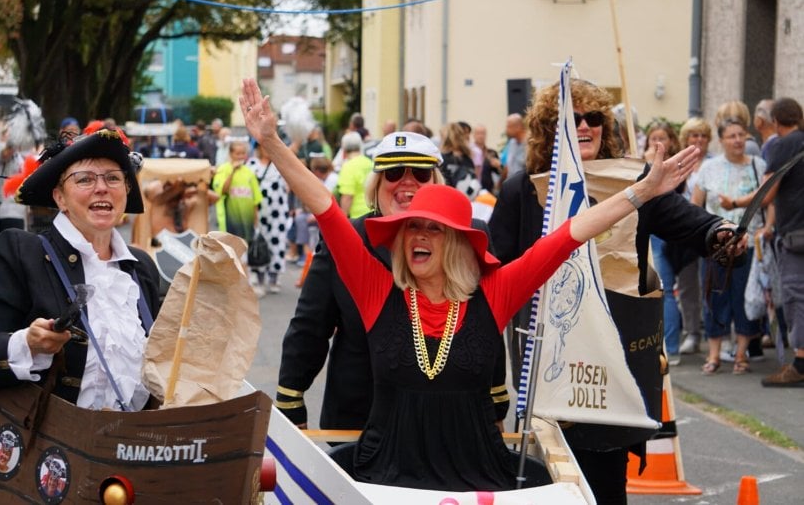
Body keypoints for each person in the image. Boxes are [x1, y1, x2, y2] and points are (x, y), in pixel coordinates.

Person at [242, 77, 701, 492]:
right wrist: (271, 141)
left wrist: (641, 191)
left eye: (433, 227)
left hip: (479, 478)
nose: (417, 235)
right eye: (410, 227)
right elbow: (324, 207)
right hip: (385, 475)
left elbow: (569, 235)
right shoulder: (376, 290)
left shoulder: (494, 292)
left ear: (459, 242)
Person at [489, 80, 738, 503]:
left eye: (595, 118)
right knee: (549, 481)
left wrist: (720, 232)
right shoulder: (523, 189)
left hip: (614, 355)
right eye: (572, 119)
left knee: (605, 479)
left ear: (607, 126)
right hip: (549, 354)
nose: (584, 126)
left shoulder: (637, 183)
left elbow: (686, 221)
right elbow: (494, 279)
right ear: (551, 128)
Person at [276, 128, 510, 433]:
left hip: (450, 423)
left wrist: (495, 404)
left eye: (421, 174)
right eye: (394, 172)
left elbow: (488, 324)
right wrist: (291, 401)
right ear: (376, 184)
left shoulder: (470, 236)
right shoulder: (348, 239)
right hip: (362, 421)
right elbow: (310, 327)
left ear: (436, 183)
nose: (407, 182)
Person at [0, 130, 161, 410]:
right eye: (85, 179)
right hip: (51, 445)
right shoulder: (21, 251)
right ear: (60, 198)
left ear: (127, 191)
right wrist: (28, 344)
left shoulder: (141, 268)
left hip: (130, 445)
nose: (102, 188)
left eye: (114, 177)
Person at [733, 97, 804, 386]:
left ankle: (799, 363)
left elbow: (769, 191)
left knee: (795, 295)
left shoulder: (783, 144)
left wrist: (737, 203)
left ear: (775, 122)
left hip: (796, 235)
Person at [691, 116, 765, 375]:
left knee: (743, 298)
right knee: (715, 297)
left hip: (748, 245)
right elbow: (694, 206)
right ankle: (714, 355)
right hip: (716, 245)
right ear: (721, 140)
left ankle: (741, 355)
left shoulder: (758, 165)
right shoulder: (709, 169)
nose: (737, 140)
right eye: (731, 136)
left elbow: (769, 201)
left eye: (741, 135)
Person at [642, 121, 683, 363]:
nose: (657, 143)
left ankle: (672, 346)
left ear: (671, 141)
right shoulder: (641, 163)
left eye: (662, 138)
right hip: (646, 231)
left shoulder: (676, 163)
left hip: (664, 234)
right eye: (652, 138)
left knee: (664, 289)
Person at [676, 118, 713, 355]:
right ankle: (692, 332)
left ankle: (714, 333)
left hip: (710, 231)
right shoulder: (679, 163)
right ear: (685, 139)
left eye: (703, 136)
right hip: (686, 233)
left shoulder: (715, 164)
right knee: (688, 285)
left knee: (710, 283)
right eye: (694, 136)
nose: (698, 140)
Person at [247, 143, 289, 294]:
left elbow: (289, 185)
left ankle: (274, 277)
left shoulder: (280, 163)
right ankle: (258, 276)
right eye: (264, 147)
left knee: (277, 243)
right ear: (258, 148)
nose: (267, 150)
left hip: (278, 211)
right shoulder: (251, 164)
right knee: (258, 244)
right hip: (258, 212)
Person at [211, 141, 261, 241]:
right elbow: (222, 191)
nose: (240, 156)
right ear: (230, 154)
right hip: (228, 221)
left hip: (247, 221)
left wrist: (255, 220)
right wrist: (232, 172)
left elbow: (256, 199)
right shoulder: (223, 169)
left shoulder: (249, 172)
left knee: (245, 250)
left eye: (243, 153)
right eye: (237, 154)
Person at [0, 120, 27, 237]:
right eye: (6, 132)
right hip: (4, 211)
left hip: (15, 211)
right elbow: (5, 153)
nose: (9, 135)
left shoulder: (17, 154)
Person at [336, 132, 373, 218]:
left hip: (358, 217)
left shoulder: (348, 167)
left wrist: (343, 218)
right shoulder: (369, 162)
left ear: (344, 149)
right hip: (373, 212)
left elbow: (347, 196)